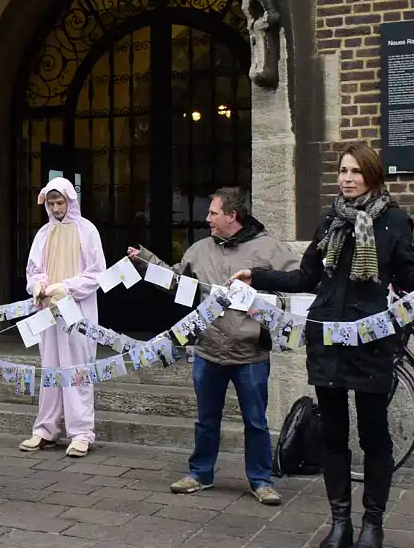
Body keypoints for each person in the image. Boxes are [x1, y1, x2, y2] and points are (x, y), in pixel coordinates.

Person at [231, 145, 414, 548]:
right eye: (342, 171)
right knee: (333, 435)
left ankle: (373, 523)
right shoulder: (330, 221)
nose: (347, 178)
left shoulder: (393, 220)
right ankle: (340, 522)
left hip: (371, 341)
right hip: (327, 340)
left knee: (375, 434)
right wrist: (257, 276)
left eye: (356, 171)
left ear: (372, 175)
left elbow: (407, 279)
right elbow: (306, 276)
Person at [128, 186, 298, 506]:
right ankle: (200, 473)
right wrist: (145, 263)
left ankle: (261, 481)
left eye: (213, 213)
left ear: (232, 216)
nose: (207, 219)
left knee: (256, 421)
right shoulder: (199, 249)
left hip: (251, 352)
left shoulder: (269, 248)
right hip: (208, 349)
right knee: (206, 419)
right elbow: (177, 282)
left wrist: (270, 308)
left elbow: (299, 282)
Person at [18, 177, 105, 458]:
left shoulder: (87, 231)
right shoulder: (44, 234)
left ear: (70, 201)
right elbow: (34, 269)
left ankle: (81, 433)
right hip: (48, 312)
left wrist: (66, 287)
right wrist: (38, 286)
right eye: (52, 203)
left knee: (77, 369)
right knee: (51, 367)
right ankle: (46, 429)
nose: (56, 208)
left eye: (60, 202)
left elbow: (95, 273)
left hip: (76, 311)